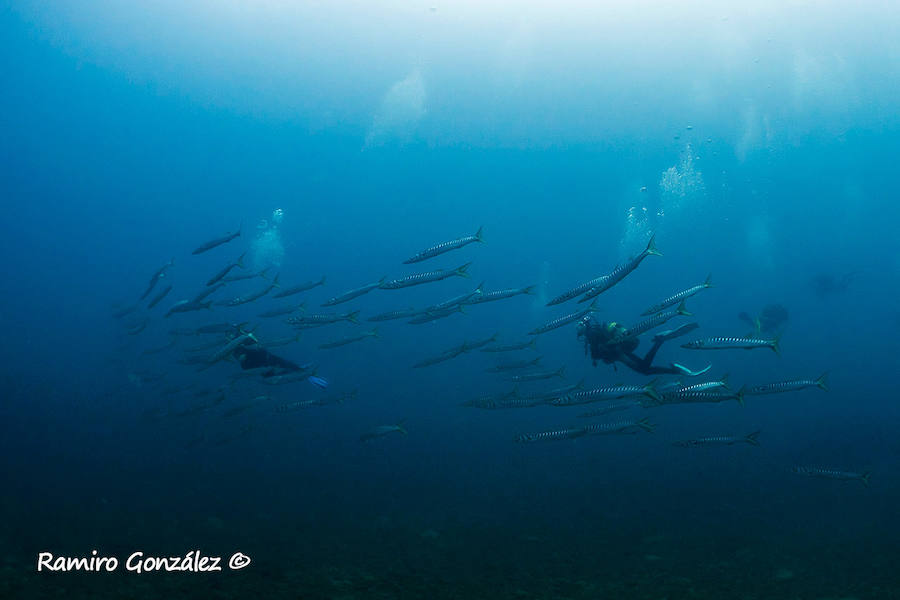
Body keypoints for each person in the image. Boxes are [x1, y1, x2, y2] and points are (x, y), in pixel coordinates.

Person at [577, 316, 707, 376]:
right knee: (645, 369)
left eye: (579, 327)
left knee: (645, 369)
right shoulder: (594, 331)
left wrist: (599, 354)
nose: (578, 330)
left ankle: (660, 342)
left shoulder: (591, 334)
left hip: (617, 353)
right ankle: (675, 370)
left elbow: (596, 353)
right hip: (618, 351)